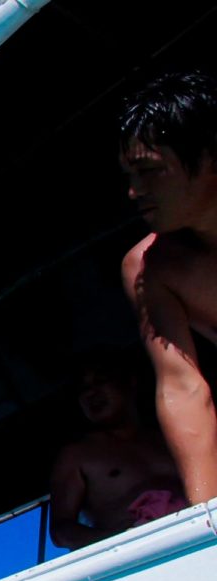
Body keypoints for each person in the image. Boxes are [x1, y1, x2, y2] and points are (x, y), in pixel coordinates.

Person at [119, 69, 217, 507]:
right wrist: (206, 522)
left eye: (149, 171)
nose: (133, 191)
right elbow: (183, 388)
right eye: (129, 173)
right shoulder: (149, 266)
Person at [49, 347, 186, 549]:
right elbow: (61, 531)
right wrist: (120, 539)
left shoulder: (170, 438)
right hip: (136, 555)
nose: (90, 393)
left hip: (201, 536)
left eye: (101, 380)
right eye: (82, 388)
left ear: (130, 381)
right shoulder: (76, 455)